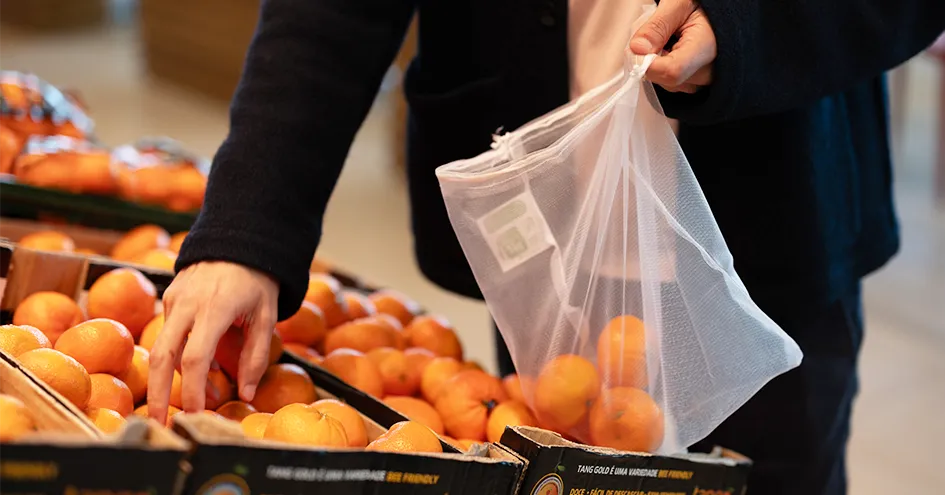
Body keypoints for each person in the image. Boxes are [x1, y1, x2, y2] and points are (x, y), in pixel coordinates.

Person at [146, 0, 945, 492]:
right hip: (543, 242)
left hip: (774, 221)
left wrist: (746, 28)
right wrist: (248, 230)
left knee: (769, 471)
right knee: (554, 462)